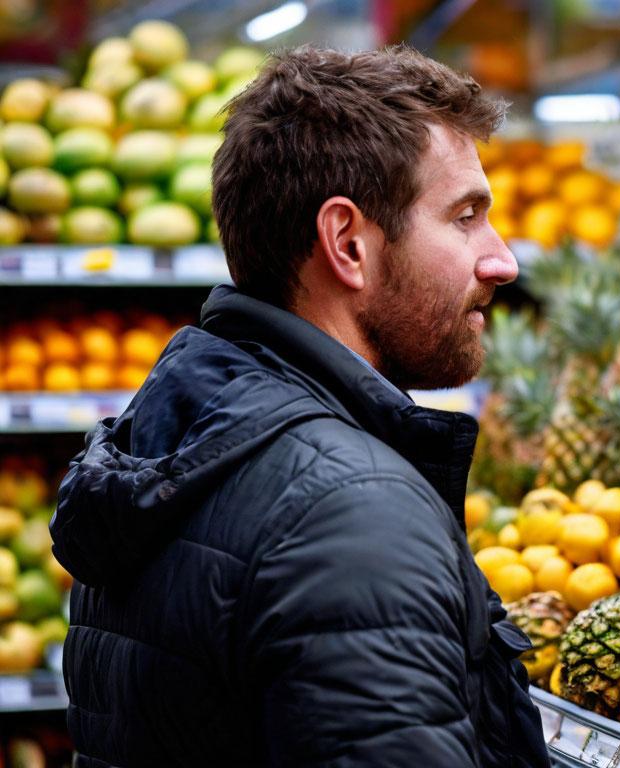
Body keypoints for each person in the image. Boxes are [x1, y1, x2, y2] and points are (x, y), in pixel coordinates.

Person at [49, 45, 548, 767]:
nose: (503, 260)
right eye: (466, 216)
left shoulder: (161, 435)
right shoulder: (354, 514)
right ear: (348, 243)